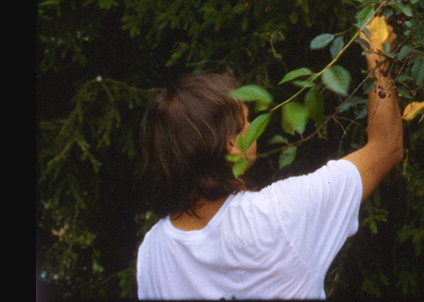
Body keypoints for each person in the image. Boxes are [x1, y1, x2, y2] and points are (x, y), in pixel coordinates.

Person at [136, 19, 402, 299]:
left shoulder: (153, 252)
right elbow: (386, 147)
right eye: (248, 120)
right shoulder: (280, 214)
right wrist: (378, 56)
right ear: (232, 146)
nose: (255, 127)